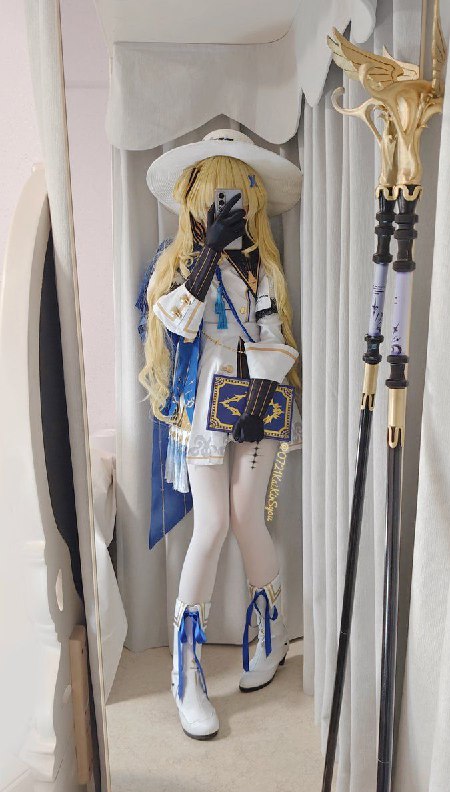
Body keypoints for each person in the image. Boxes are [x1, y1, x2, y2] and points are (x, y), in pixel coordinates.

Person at [137, 129, 302, 739]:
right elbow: (176, 324)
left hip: (258, 393)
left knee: (245, 515)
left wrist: (260, 392)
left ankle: (271, 630)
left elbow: (272, 330)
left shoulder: (262, 268)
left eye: (235, 196)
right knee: (209, 525)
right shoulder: (181, 265)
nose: (225, 206)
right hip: (202, 400)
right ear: (195, 201)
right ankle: (186, 668)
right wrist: (208, 253)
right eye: (215, 196)